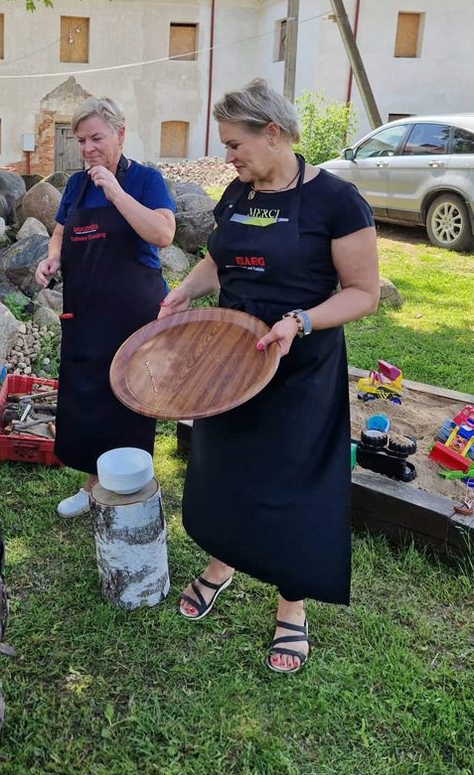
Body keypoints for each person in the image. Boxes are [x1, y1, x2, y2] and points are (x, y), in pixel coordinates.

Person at [159, 79, 379, 674]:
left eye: (235, 144)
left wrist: (300, 321)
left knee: (292, 484)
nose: (228, 156)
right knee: (225, 468)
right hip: (230, 358)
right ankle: (223, 562)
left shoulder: (337, 201)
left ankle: (291, 605)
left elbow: (362, 292)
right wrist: (185, 291)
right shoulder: (238, 192)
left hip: (299, 365)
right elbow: (218, 259)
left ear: (273, 134)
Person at [35, 97, 176, 517]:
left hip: (133, 310)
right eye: (81, 140)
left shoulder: (146, 180)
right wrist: (52, 258)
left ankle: (128, 487)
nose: (88, 148)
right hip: (86, 308)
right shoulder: (76, 186)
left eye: (96, 137)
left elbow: (163, 233)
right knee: (86, 396)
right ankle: (92, 484)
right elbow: (60, 233)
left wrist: (115, 192)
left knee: (129, 398)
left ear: (120, 133)